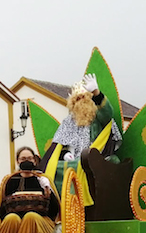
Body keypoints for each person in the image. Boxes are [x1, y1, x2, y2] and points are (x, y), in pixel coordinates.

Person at [41, 73, 122, 206]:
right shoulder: (68, 121)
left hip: (95, 156)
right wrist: (65, 154)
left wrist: (96, 93)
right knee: (55, 168)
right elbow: (59, 144)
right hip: (72, 159)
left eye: (84, 99)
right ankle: (62, 204)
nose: (81, 103)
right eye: (77, 99)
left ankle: (79, 203)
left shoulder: (97, 117)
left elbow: (108, 114)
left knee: (82, 165)